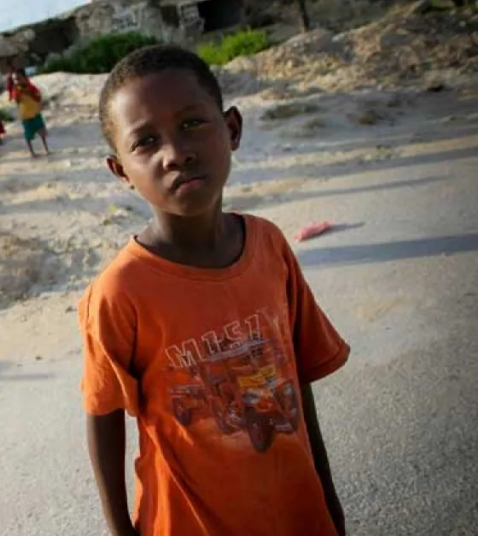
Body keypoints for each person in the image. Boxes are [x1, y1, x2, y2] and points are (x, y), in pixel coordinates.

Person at [80, 45, 349, 536]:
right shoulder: (121, 291)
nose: (175, 153)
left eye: (191, 124)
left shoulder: (268, 245)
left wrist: (327, 496)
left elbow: (295, 379)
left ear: (232, 129)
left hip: (296, 510)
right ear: (120, 171)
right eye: (145, 142)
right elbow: (104, 414)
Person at [12, 69, 50, 157]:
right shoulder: (16, 90)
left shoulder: (31, 87)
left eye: (18, 78)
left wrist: (28, 91)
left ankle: (46, 149)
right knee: (28, 135)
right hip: (26, 116)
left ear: (25, 77)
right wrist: (19, 91)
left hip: (36, 113)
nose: (17, 81)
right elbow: (17, 100)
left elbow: (38, 98)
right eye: (15, 79)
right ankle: (32, 152)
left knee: (42, 132)